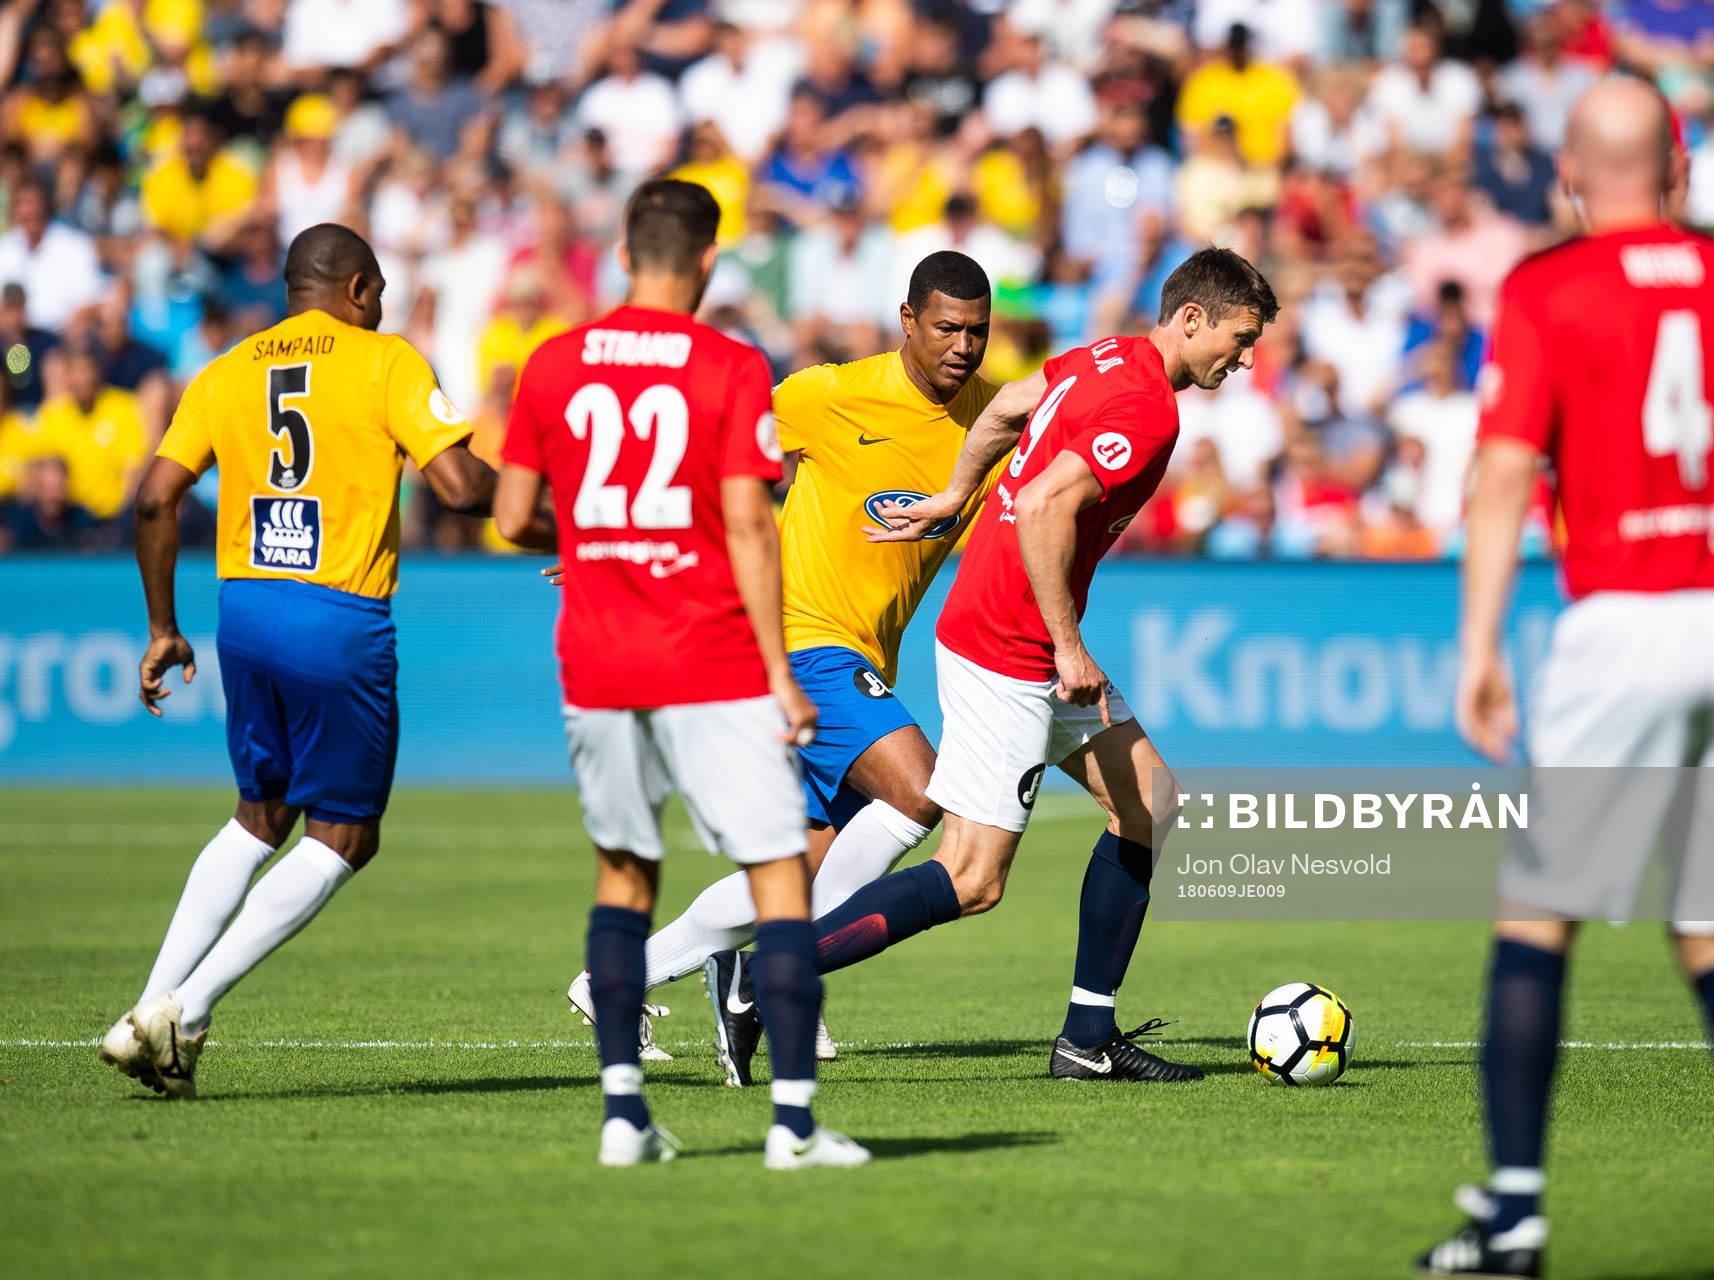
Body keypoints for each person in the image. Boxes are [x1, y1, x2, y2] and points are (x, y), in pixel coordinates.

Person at [1418, 77, 1714, 1279]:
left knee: (1537, 913)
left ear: (1571, 178)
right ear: (1680, 172)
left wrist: (1477, 651)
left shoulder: (1546, 287)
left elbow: (1507, 472)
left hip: (1626, 618)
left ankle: (1513, 1216)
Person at [705, 247, 1278, 1086]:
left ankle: (1087, 1038)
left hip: (1017, 631)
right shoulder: (1148, 408)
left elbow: (1011, 407)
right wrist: (1068, 644)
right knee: (972, 879)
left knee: (1149, 804)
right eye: (1242, 336)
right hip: (1011, 647)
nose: (1247, 357)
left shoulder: (1108, 356)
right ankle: (766, 972)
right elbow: (1046, 504)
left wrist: (949, 498)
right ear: (1192, 318)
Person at [562, 251, 1037, 1076]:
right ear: (908, 322)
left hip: (862, 651)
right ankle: (780, 973)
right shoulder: (832, 394)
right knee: (924, 791)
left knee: (797, 867)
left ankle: (621, 979)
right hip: (796, 637)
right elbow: (713, 446)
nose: (964, 346)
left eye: (979, 331)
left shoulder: (992, 417)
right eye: (948, 328)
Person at [491, 179, 867, 1171]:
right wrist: (783, 674)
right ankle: (791, 1126)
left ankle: (625, 1114)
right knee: (780, 874)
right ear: (706, 262)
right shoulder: (732, 366)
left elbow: (513, 511)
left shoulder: (553, 361)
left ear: (623, 251)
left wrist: (606, 533)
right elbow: (748, 520)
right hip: (708, 655)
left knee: (625, 872)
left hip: (599, 654)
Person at [101, 224, 497, 1100]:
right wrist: (560, 511)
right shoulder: (384, 359)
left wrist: (164, 626)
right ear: (357, 288)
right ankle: (187, 1012)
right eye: (382, 288)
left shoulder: (227, 369)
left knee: (259, 812)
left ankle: (145, 1008)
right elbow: (463, 489)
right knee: (346, 834)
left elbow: (155, 500)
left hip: (243, 607)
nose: (384, 303)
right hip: (337, 613)